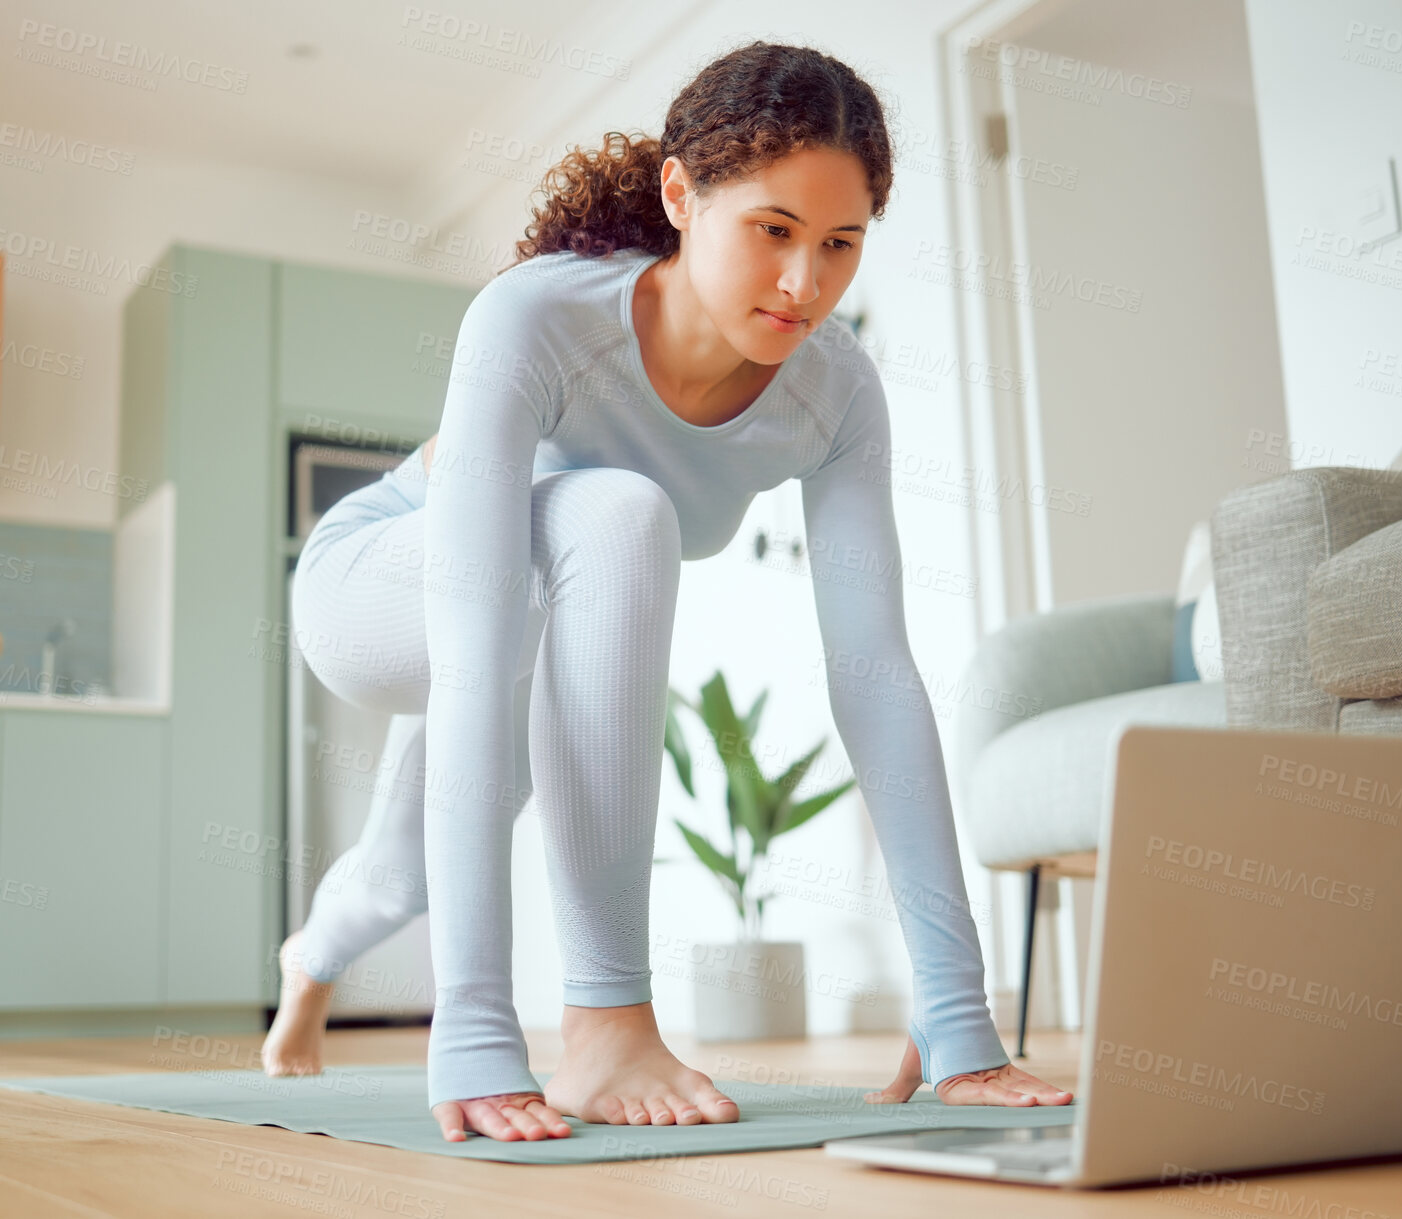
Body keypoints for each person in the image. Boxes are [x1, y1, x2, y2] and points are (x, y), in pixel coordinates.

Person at [264, 39, 1073, 1143]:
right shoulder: (537, 317)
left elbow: (874, 671)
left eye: (840, 245)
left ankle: (305, 965)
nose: (805, 284)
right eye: (772, 231)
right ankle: (602, 1018)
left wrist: (953, 1008)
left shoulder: (834, 393)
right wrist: (473, 1029)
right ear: (680, 195)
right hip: (379, 581)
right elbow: (472, 648)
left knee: (395, 873)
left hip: (534, 605)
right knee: (616, 509)